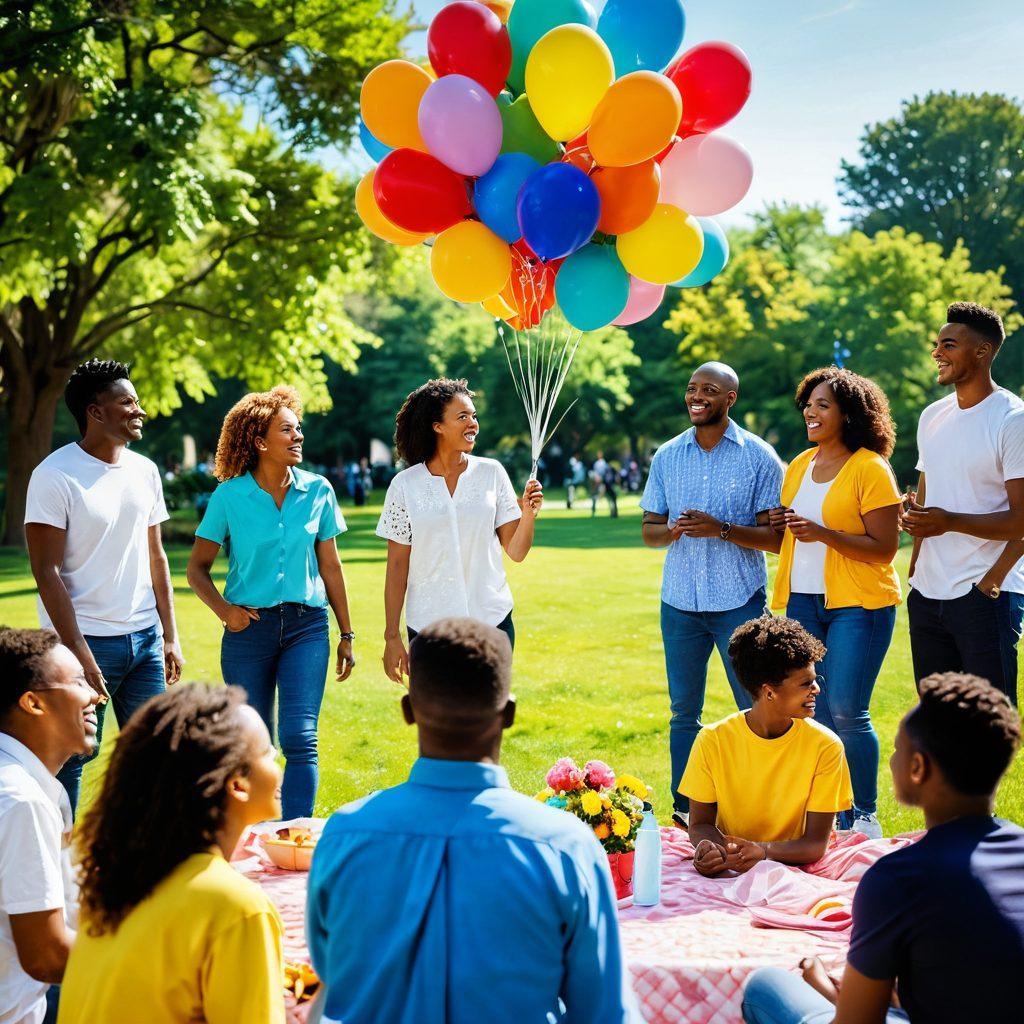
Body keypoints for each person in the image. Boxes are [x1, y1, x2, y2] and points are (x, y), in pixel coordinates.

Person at [307, 617, 638, 1024]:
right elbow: (604, 1012)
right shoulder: (565, 847)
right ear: (509, 713)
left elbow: (332, 975)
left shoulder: (344, 835)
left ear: (409, 711)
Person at [742, 672, 1024, 1024]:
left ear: (918, 768)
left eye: (896, 750)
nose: (891, 762)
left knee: (766, 986)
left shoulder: (898, 878)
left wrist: (819, 982)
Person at [57, 684, 286, 1024]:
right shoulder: (237, 908)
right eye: (267, 752)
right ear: (238, 783)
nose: (278, 760)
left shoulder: (115, 876)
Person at [187, 385, 354, 819]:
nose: (298, 437)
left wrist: (347, 633)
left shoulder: (319, 490)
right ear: (260, 442)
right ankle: (255, 834)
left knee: (301, 737)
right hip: (249, 631)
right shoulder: (228, 497)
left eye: (299, 429)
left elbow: (331, 568)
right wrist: (226, 611)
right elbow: (196, 569)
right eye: (287, 430)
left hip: (307, 626)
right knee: (250, 742)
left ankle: (294, 836)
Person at [24, 359, 183, 814]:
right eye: (127, 402)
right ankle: (58, 863)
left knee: (154, 756)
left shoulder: (145, 471)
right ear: (96, 412)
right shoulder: (54, 475)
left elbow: (157, 557)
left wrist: (169, 635)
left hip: (146, 642)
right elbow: (46, 572)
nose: (140, 411)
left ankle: (143, 862)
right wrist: (78, 653)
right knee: (72, 757)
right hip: (84, 641)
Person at [641, 362, 785, 829]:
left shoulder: (760, 457)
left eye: (709, 389)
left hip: (739, 603)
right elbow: (649, 531)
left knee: (755, 708)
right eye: (691, 389)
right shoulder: (667, 456)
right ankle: (685, 811)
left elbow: (775, 539)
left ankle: (758, 807)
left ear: (730, 398)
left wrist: (720, 529)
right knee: (684, 712)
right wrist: (673, 531)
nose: (696, 396)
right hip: (679, 602)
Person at [767, 368, 902, 839]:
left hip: (859, 605)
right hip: (802, 602)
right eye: (809, 403)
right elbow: (791, 534)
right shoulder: (799, 465)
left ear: (849, 415)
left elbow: (885, 547)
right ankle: (833, 817)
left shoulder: (869, 467)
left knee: (846, 709)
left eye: (824, 404)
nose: (811, 411)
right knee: (814, 711)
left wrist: (823, 533)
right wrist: (782, 524)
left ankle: (864, 815)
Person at [376, 379, 542, 683]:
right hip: (429, 628)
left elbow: (516, 551)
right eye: (463, 416)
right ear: (437, 426)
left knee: (486, 723)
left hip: (492, 623)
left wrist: (528, 514)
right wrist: (391, 636)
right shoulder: (405, 486)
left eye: (474, 416)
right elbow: (397, 566)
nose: (473, 424)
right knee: (439, 725)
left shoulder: (492, 473)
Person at [903, 302, 1024, 706]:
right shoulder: (931, 416)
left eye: (948, 344)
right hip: (928, 593)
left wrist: (989, 582)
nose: (937, 352)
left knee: (988, 726)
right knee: (936, 725)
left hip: (984, 594)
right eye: (937, 344)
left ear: (982, 352)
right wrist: (917, 538)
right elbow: (928, 494)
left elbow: (1021, 520)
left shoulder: (1012, 419)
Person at [682, 616, 853, 877]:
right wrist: (711, 849)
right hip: (734, 866)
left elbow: (815, 845)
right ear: (769, 692)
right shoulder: (712, 739)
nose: (816, 689)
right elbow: (701, 823)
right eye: (806, 683)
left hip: (797, 868)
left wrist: (763, 851)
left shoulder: (826, 747)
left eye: (814, 679)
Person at [0, 628, 98, 1024]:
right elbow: (48, 956)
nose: (94, 694)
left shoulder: (32, 784)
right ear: (33, 702)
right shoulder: (20, 799)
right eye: (78, 682)